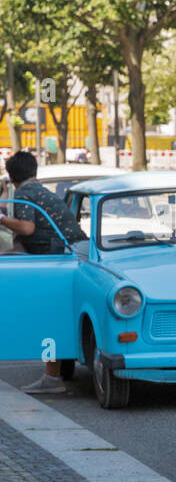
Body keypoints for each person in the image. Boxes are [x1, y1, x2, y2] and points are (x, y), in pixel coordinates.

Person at [0, 151, 88, 394]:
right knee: (57, 314)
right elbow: (24, 244)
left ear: (11, 175)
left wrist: (2, 219)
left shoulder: (26, 195)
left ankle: (52, 377)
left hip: (59, 259)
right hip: (72, 255)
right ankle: (55, 371)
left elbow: (27, 229)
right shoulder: (42, 192)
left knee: (49, 316)